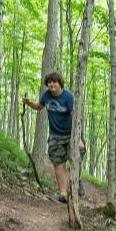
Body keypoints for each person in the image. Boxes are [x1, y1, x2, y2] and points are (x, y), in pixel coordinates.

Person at [23, 71, 85, 203]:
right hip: (55, 136)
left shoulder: (68, 97)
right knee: (58, 165)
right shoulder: (46, 96)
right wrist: (28, 103)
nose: (51, 84)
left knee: (77, 160)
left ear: (60, 83)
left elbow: (76, 117)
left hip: (70, 135)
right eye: (49, 82)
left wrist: (78, 138)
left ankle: (77, 182)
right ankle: (63, 194)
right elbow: (39, 106)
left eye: (54, 82)